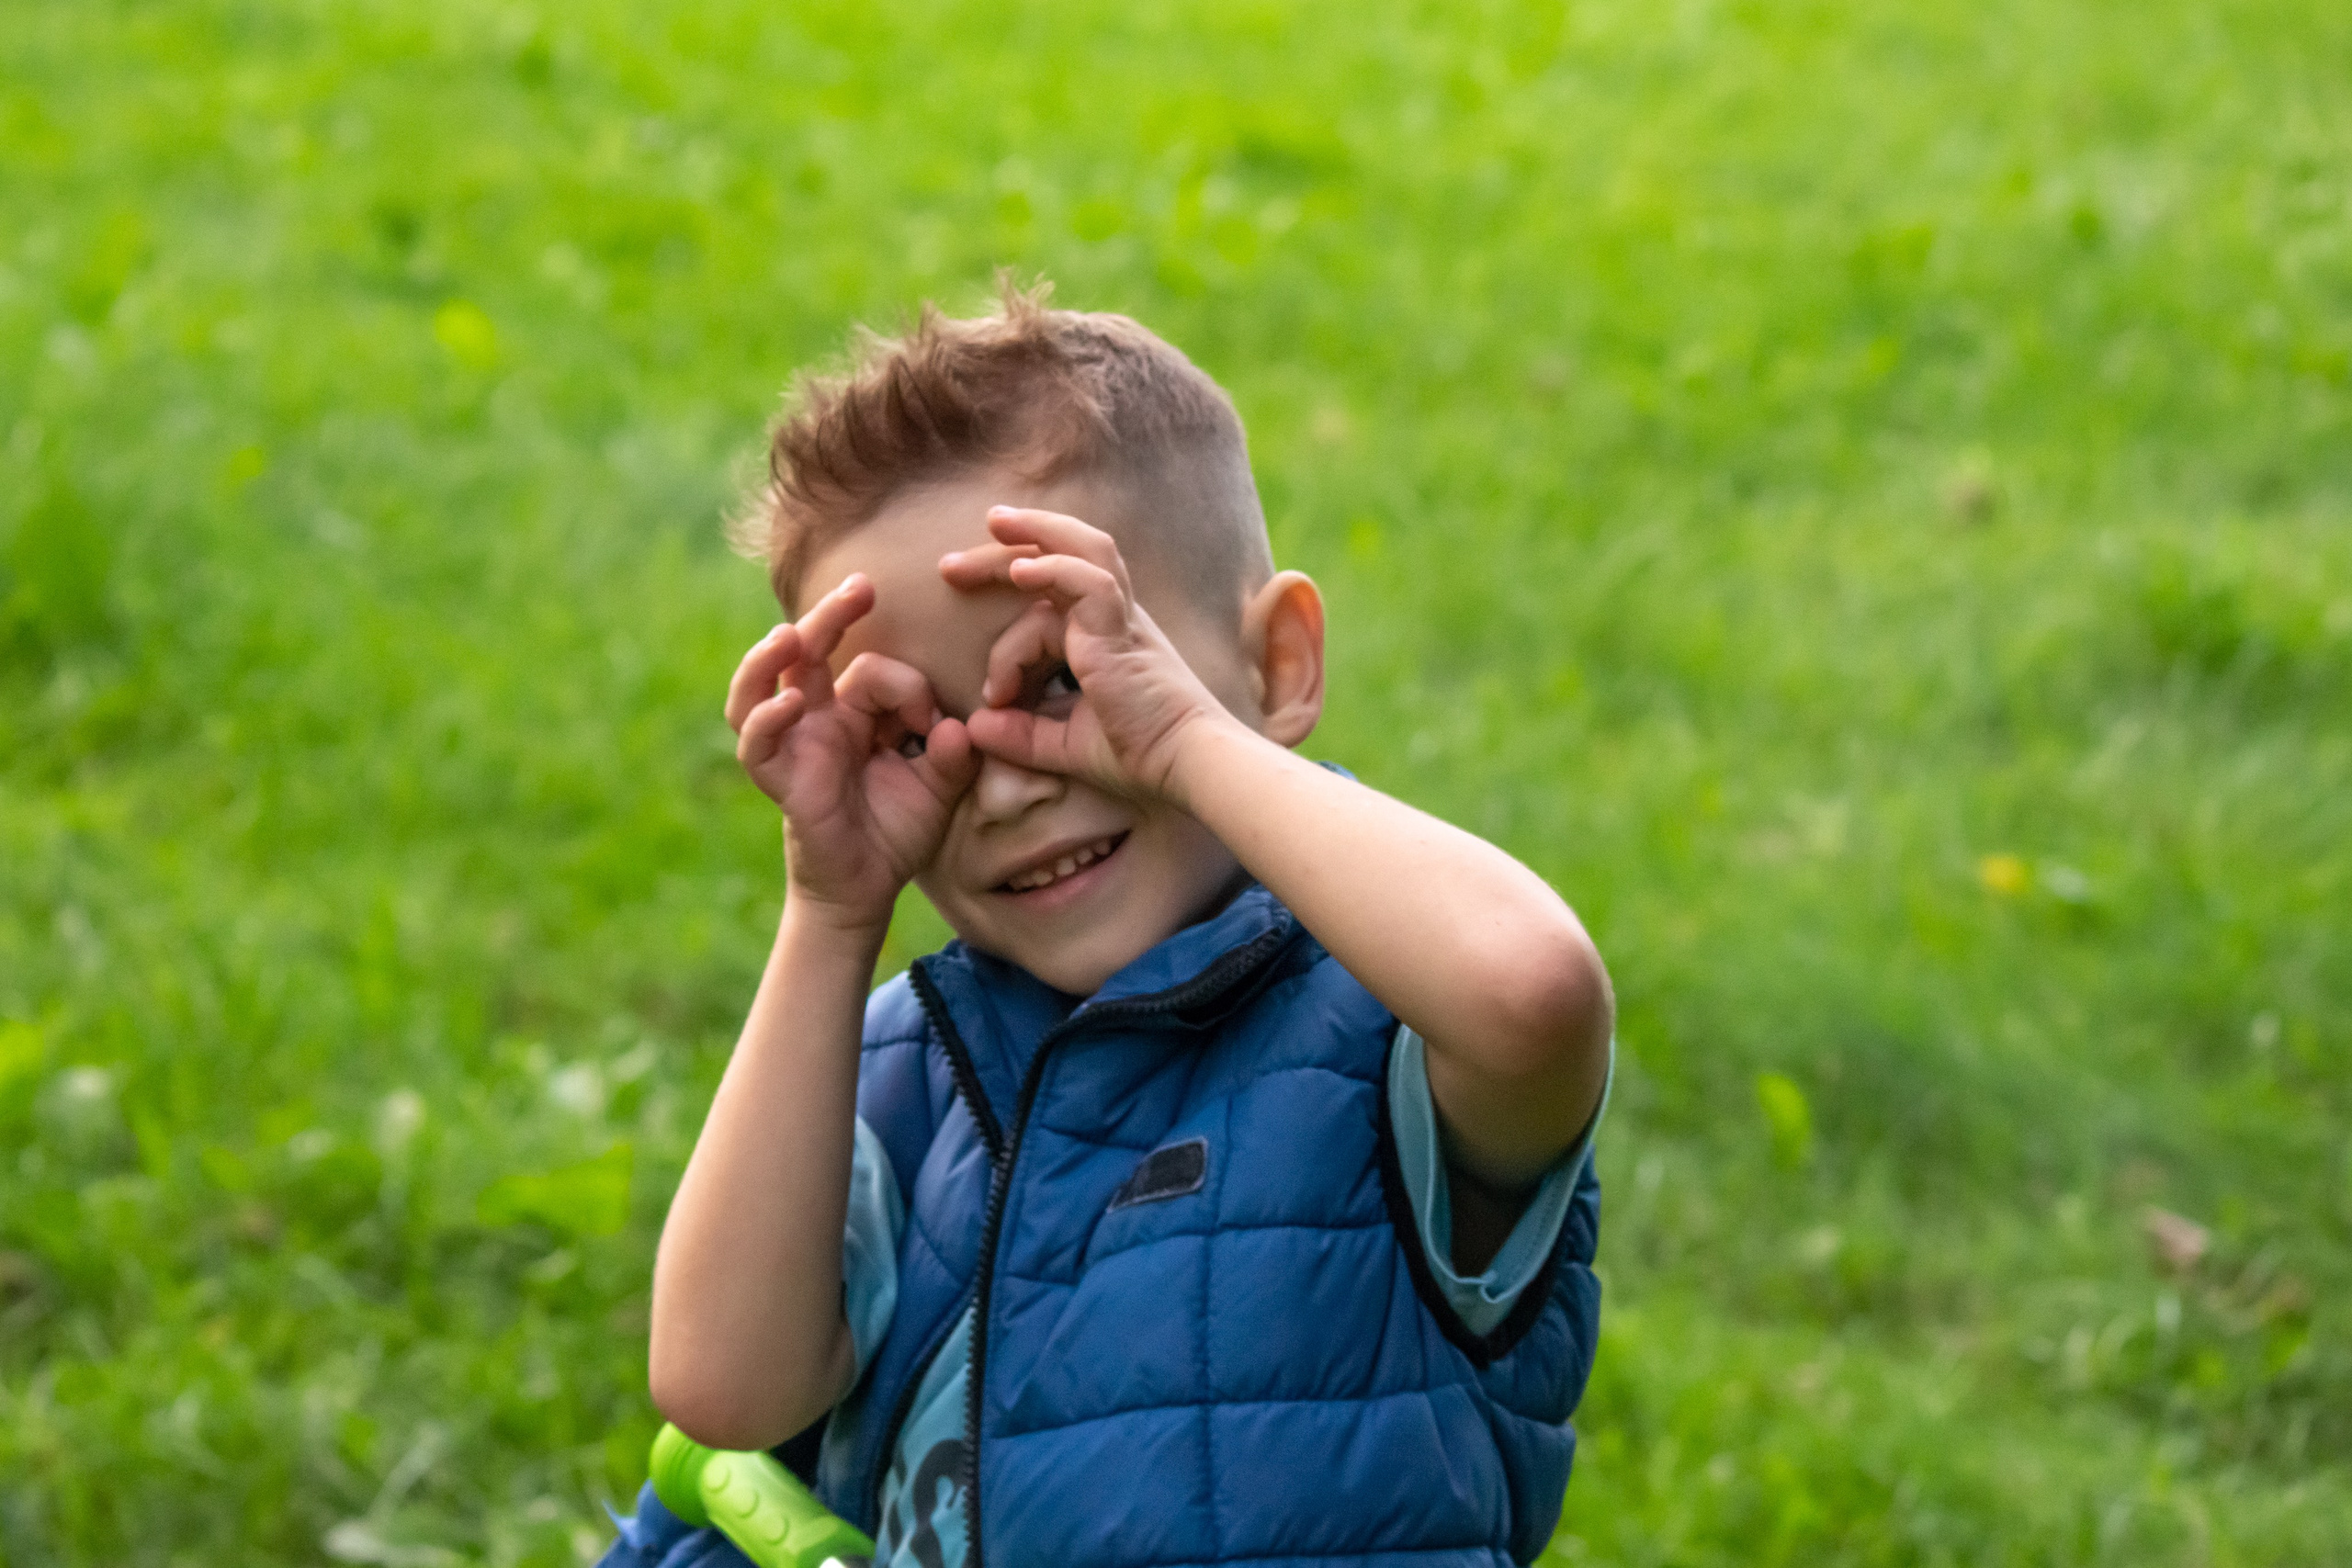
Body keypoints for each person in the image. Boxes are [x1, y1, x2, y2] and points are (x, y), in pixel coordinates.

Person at [601, 281, 1614, 1568]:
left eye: (1066, 678)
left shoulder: (1386, 1022)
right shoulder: (909, 1068)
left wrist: (1184, 736)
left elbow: (1534, 990)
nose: (1011, 780)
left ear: (1279, 664)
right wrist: (831, 906)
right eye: (918, 734)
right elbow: (725, 1387)